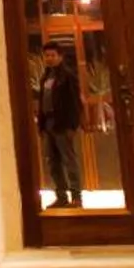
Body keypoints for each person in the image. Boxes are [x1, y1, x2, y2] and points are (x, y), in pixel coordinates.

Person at [36, 42, 84, 209]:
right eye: (47, 55)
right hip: (48, 125)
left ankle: (76, 197)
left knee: (69, 160)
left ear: (60, 57)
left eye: (52, 55)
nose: (49, 58)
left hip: (63, 125)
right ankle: (61, 196)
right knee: (53, 162)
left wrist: (73, 125)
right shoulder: (45, 77)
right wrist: (41, 127)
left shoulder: (68, 77)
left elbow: (75, 103)